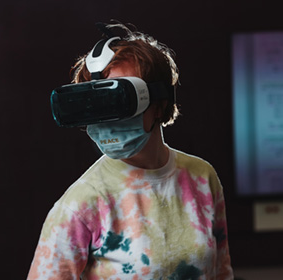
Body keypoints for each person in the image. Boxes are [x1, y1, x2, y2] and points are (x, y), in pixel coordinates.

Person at [27, 22, 233, 279]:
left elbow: (221, 271)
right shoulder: (82, 203)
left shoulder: (202, 177)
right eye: (97, 105)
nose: (109, 120)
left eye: (120, 101)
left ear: (159, 104)